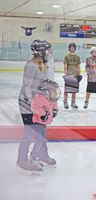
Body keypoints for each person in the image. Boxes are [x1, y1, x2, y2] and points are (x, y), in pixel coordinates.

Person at [17, 39, 57, 175]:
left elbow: (41, 84)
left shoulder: (41, 65)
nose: (49, 53)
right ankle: (21, 160)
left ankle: (40, 155)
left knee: (41, 131)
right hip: (27, 104)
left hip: (38, 102)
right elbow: (27, 86)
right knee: (30, 133)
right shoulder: (32, 65)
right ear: (40, 51)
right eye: (47, 51)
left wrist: (50, 102)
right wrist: (32, 106)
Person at [63, 42, 81, 109]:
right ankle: (65, 102)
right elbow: (65, 66)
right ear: (69, 48)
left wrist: (79, 74)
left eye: (73, 47)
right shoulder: (66, 57)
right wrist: (66, 74)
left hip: (75, 75)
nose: (72, 48)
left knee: (74, 90)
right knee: (66, 90)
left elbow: (78, 66)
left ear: (75, 48)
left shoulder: (77, 57)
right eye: (71, 47)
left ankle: (73, 102)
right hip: (68, 75)